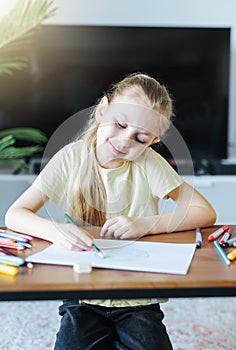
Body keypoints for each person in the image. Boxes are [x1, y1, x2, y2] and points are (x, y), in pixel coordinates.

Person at [5, 72, 216, 350]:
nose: (126, 141)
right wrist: (56, 231)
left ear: (152, 142)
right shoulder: (70, 158)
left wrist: (146, 225)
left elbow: (204, 211)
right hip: (81, 296)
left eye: (140, 139)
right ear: (103, 110)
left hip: (138, 297)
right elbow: (15, 214)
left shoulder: (149, 164)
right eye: (119, 124)